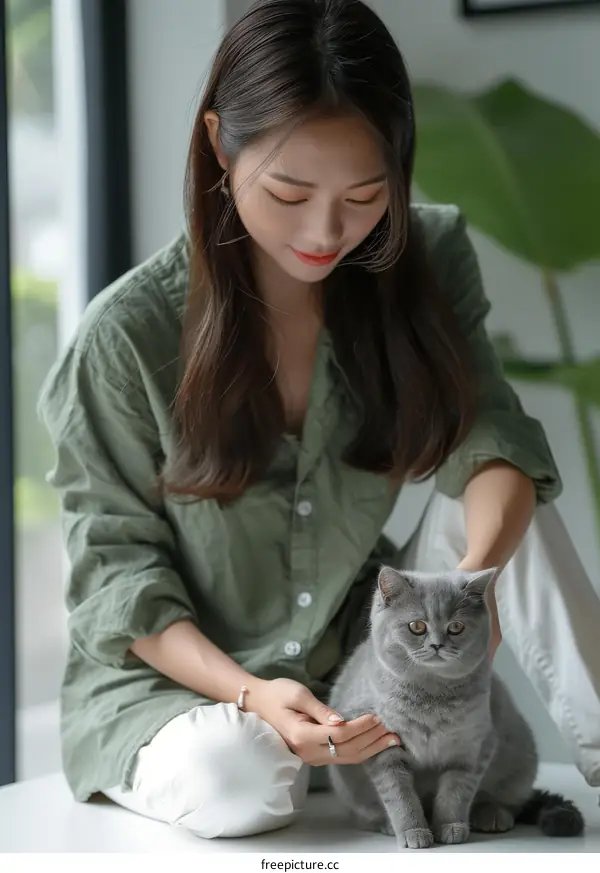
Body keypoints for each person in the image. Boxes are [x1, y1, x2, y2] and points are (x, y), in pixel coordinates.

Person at [39, 0, 600, 841]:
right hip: (183, 684)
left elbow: (490, 441)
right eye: (291, 192)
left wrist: (470, 592)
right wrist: (253, 694)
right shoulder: (126, 337)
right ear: (219, 145)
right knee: (236, 775)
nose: (327, 231)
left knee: (518, 503)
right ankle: (288, 753)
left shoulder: (428, 259)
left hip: (357, 646)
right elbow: (118, 577)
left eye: (366, 195)